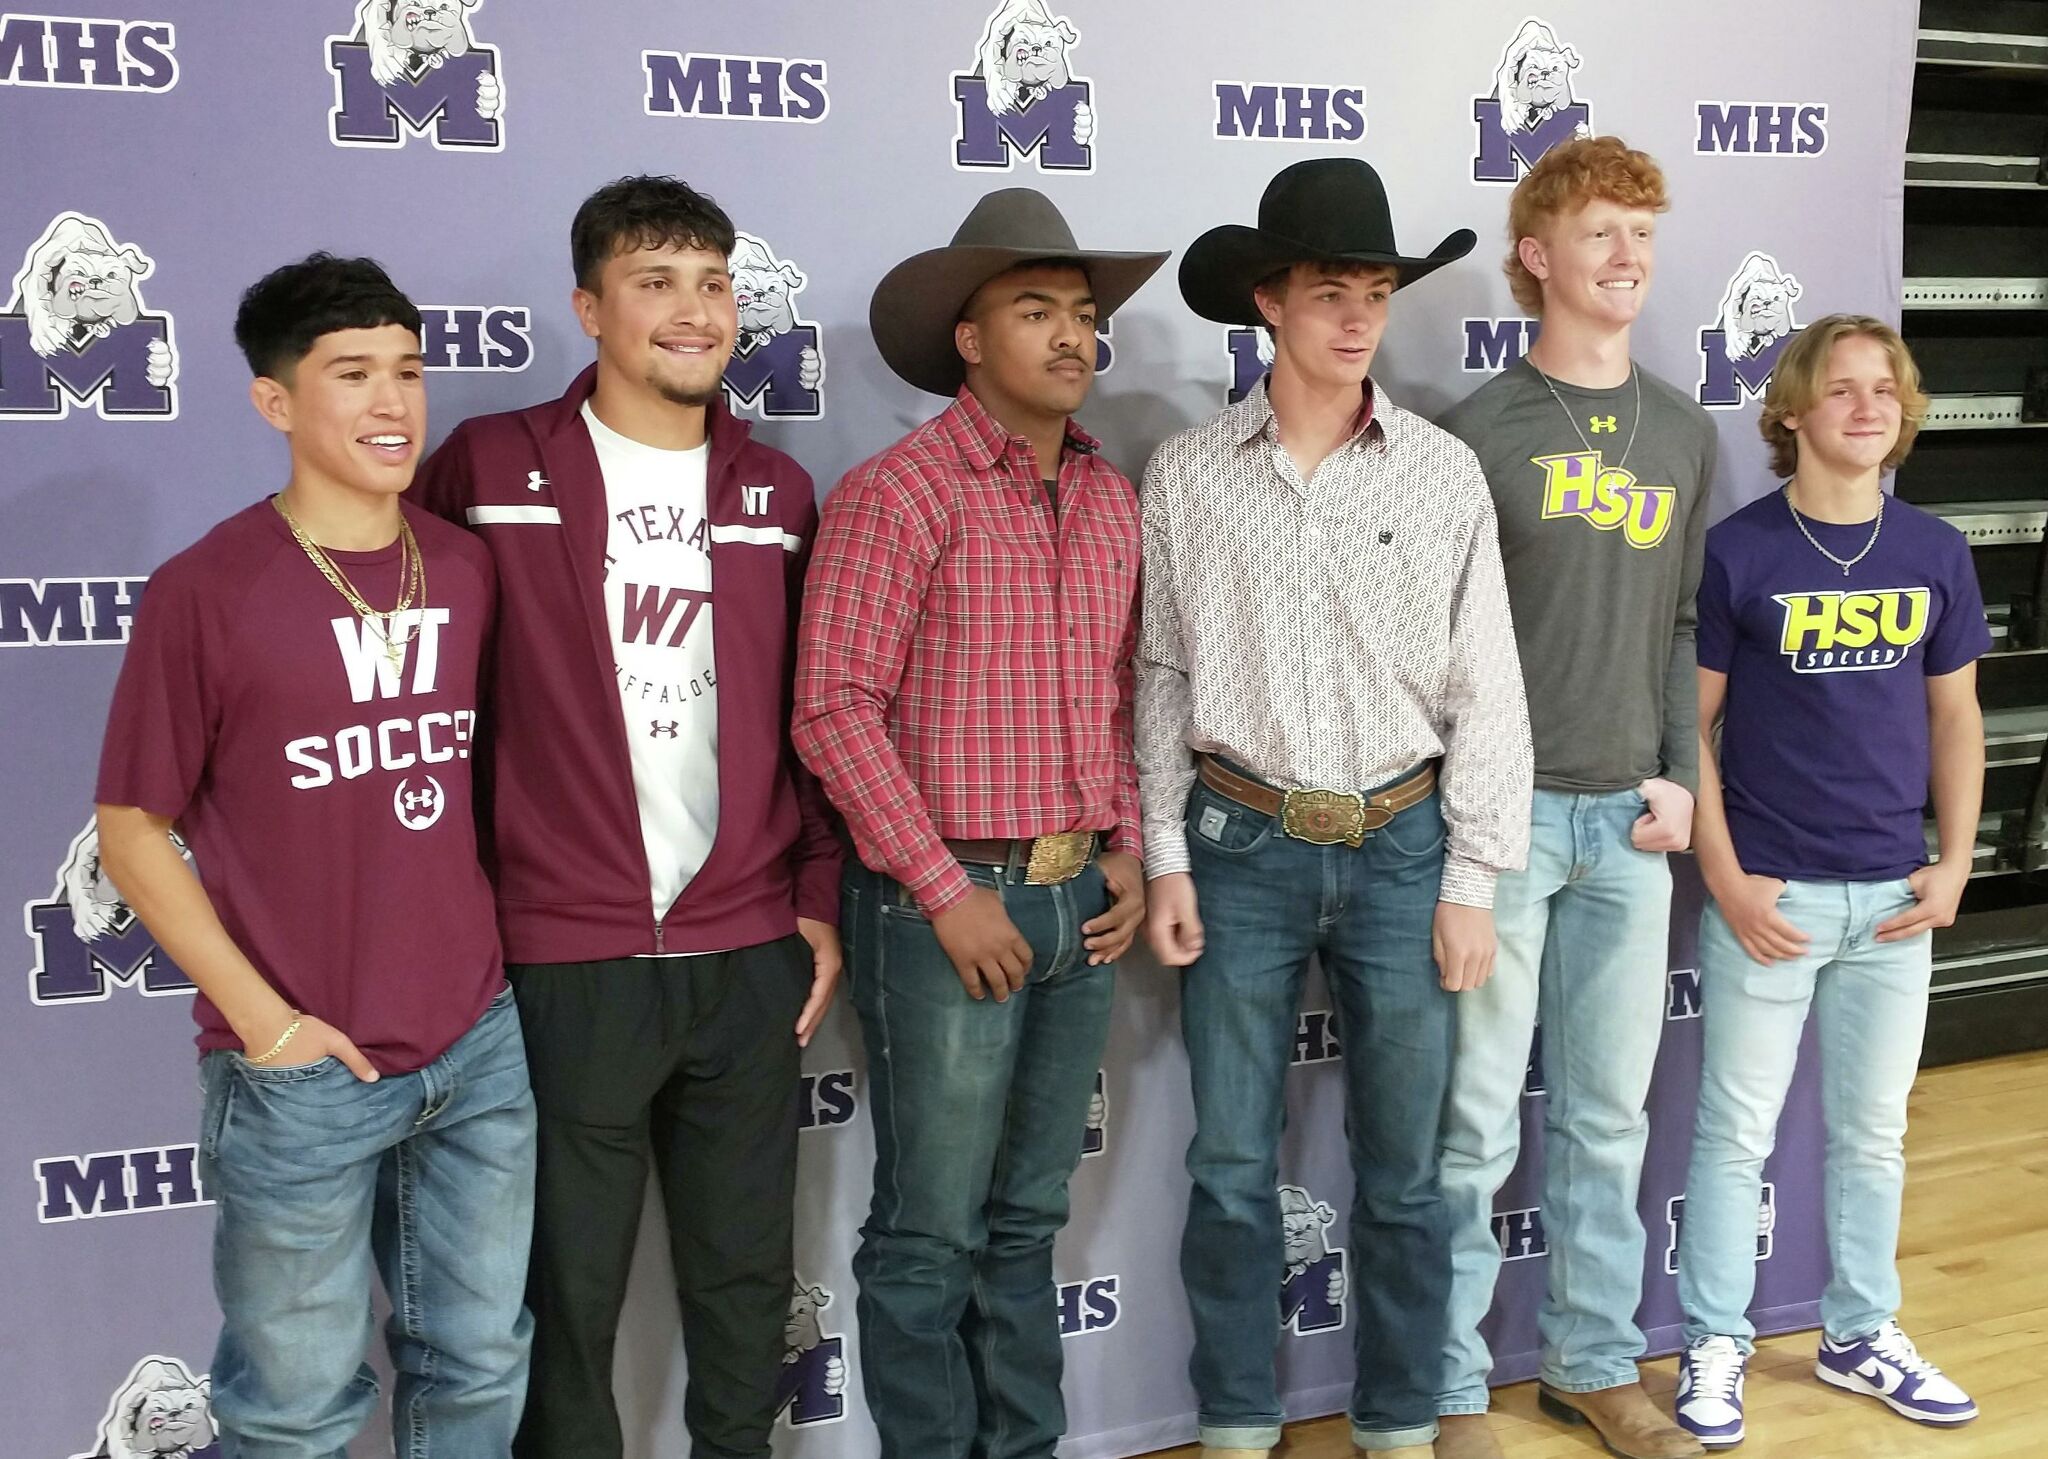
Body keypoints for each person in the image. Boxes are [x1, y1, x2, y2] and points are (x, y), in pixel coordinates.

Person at [410, 175, 844, 1459]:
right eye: (655, 282)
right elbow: (421, 694)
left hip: (745, 956)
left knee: (742, 1290)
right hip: (562, 959)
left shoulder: (778, 489)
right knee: (563, 1302)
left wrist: (812, 901)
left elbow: (811, 719)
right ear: (588, 306)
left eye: (712, 282)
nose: (693, 309)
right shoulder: (489, 466)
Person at [93, 253, 534, 1456]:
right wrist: (267, 1024)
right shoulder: (208, 588)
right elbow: (132, 829)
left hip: (474, 1042)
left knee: (482, 1364)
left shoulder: (464, 565)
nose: (392, 403)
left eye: (406, 370)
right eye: (351, 374)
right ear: (275, 402)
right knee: (292, 1409)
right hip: (296, 1069)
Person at [1141, 156, 1532, 1459]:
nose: (1357, 314)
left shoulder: (1440, 472)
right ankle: (1241, 1418)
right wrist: (1163, 856)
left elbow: (1488, 682)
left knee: (1408, 1168)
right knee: (1229, 1164)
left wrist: (1474, 875)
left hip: (1405, 838)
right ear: (1270, 301)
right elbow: (1162, 674)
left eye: (1374, 289)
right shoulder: (1188, 473)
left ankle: (1404, 1415)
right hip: (1237, 838)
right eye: (1328, 289)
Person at [792, 187, 1163, 1459]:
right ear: (966, 335)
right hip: (938, 902)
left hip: (1075, 900)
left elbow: (1117, 692)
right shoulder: (899, 494)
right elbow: (833, 708)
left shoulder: (1112, 501)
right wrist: (943, 888)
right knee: (929, 1230)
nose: (1070, 337)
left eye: (1080, 313)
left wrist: (1121, 839)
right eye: (1033, 309)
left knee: (1022, 1221)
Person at [1432, 136, 1716, 1459]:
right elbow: (1433, 649)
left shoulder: (1684, 428)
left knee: (1608, 1120)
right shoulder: (1472, 431)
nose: (1630, 259)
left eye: (1644, 236)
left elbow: (1680, 626)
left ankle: (1596, 1365)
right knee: (1476, 1124)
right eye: (1602, 233)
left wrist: (1683, 777)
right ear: (1536, 254)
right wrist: (1468, 827)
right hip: (1504, 822)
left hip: (1632, 823)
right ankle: (1445, 1384)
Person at [1673, 316, 1985, 1447]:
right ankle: (1716, 1338)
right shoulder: (1738, 551)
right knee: (1733, 1134)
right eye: (1843, 389)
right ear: (1791, 412)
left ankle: (1859, 1332)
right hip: (1774, 895)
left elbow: (1954, 718)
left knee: (1870, 1134)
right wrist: (1726, 875)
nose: (1868, 407)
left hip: (1895, 898)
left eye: (1886, 390)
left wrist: (1952, 863)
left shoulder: (1933, 553)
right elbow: (1688, 727)